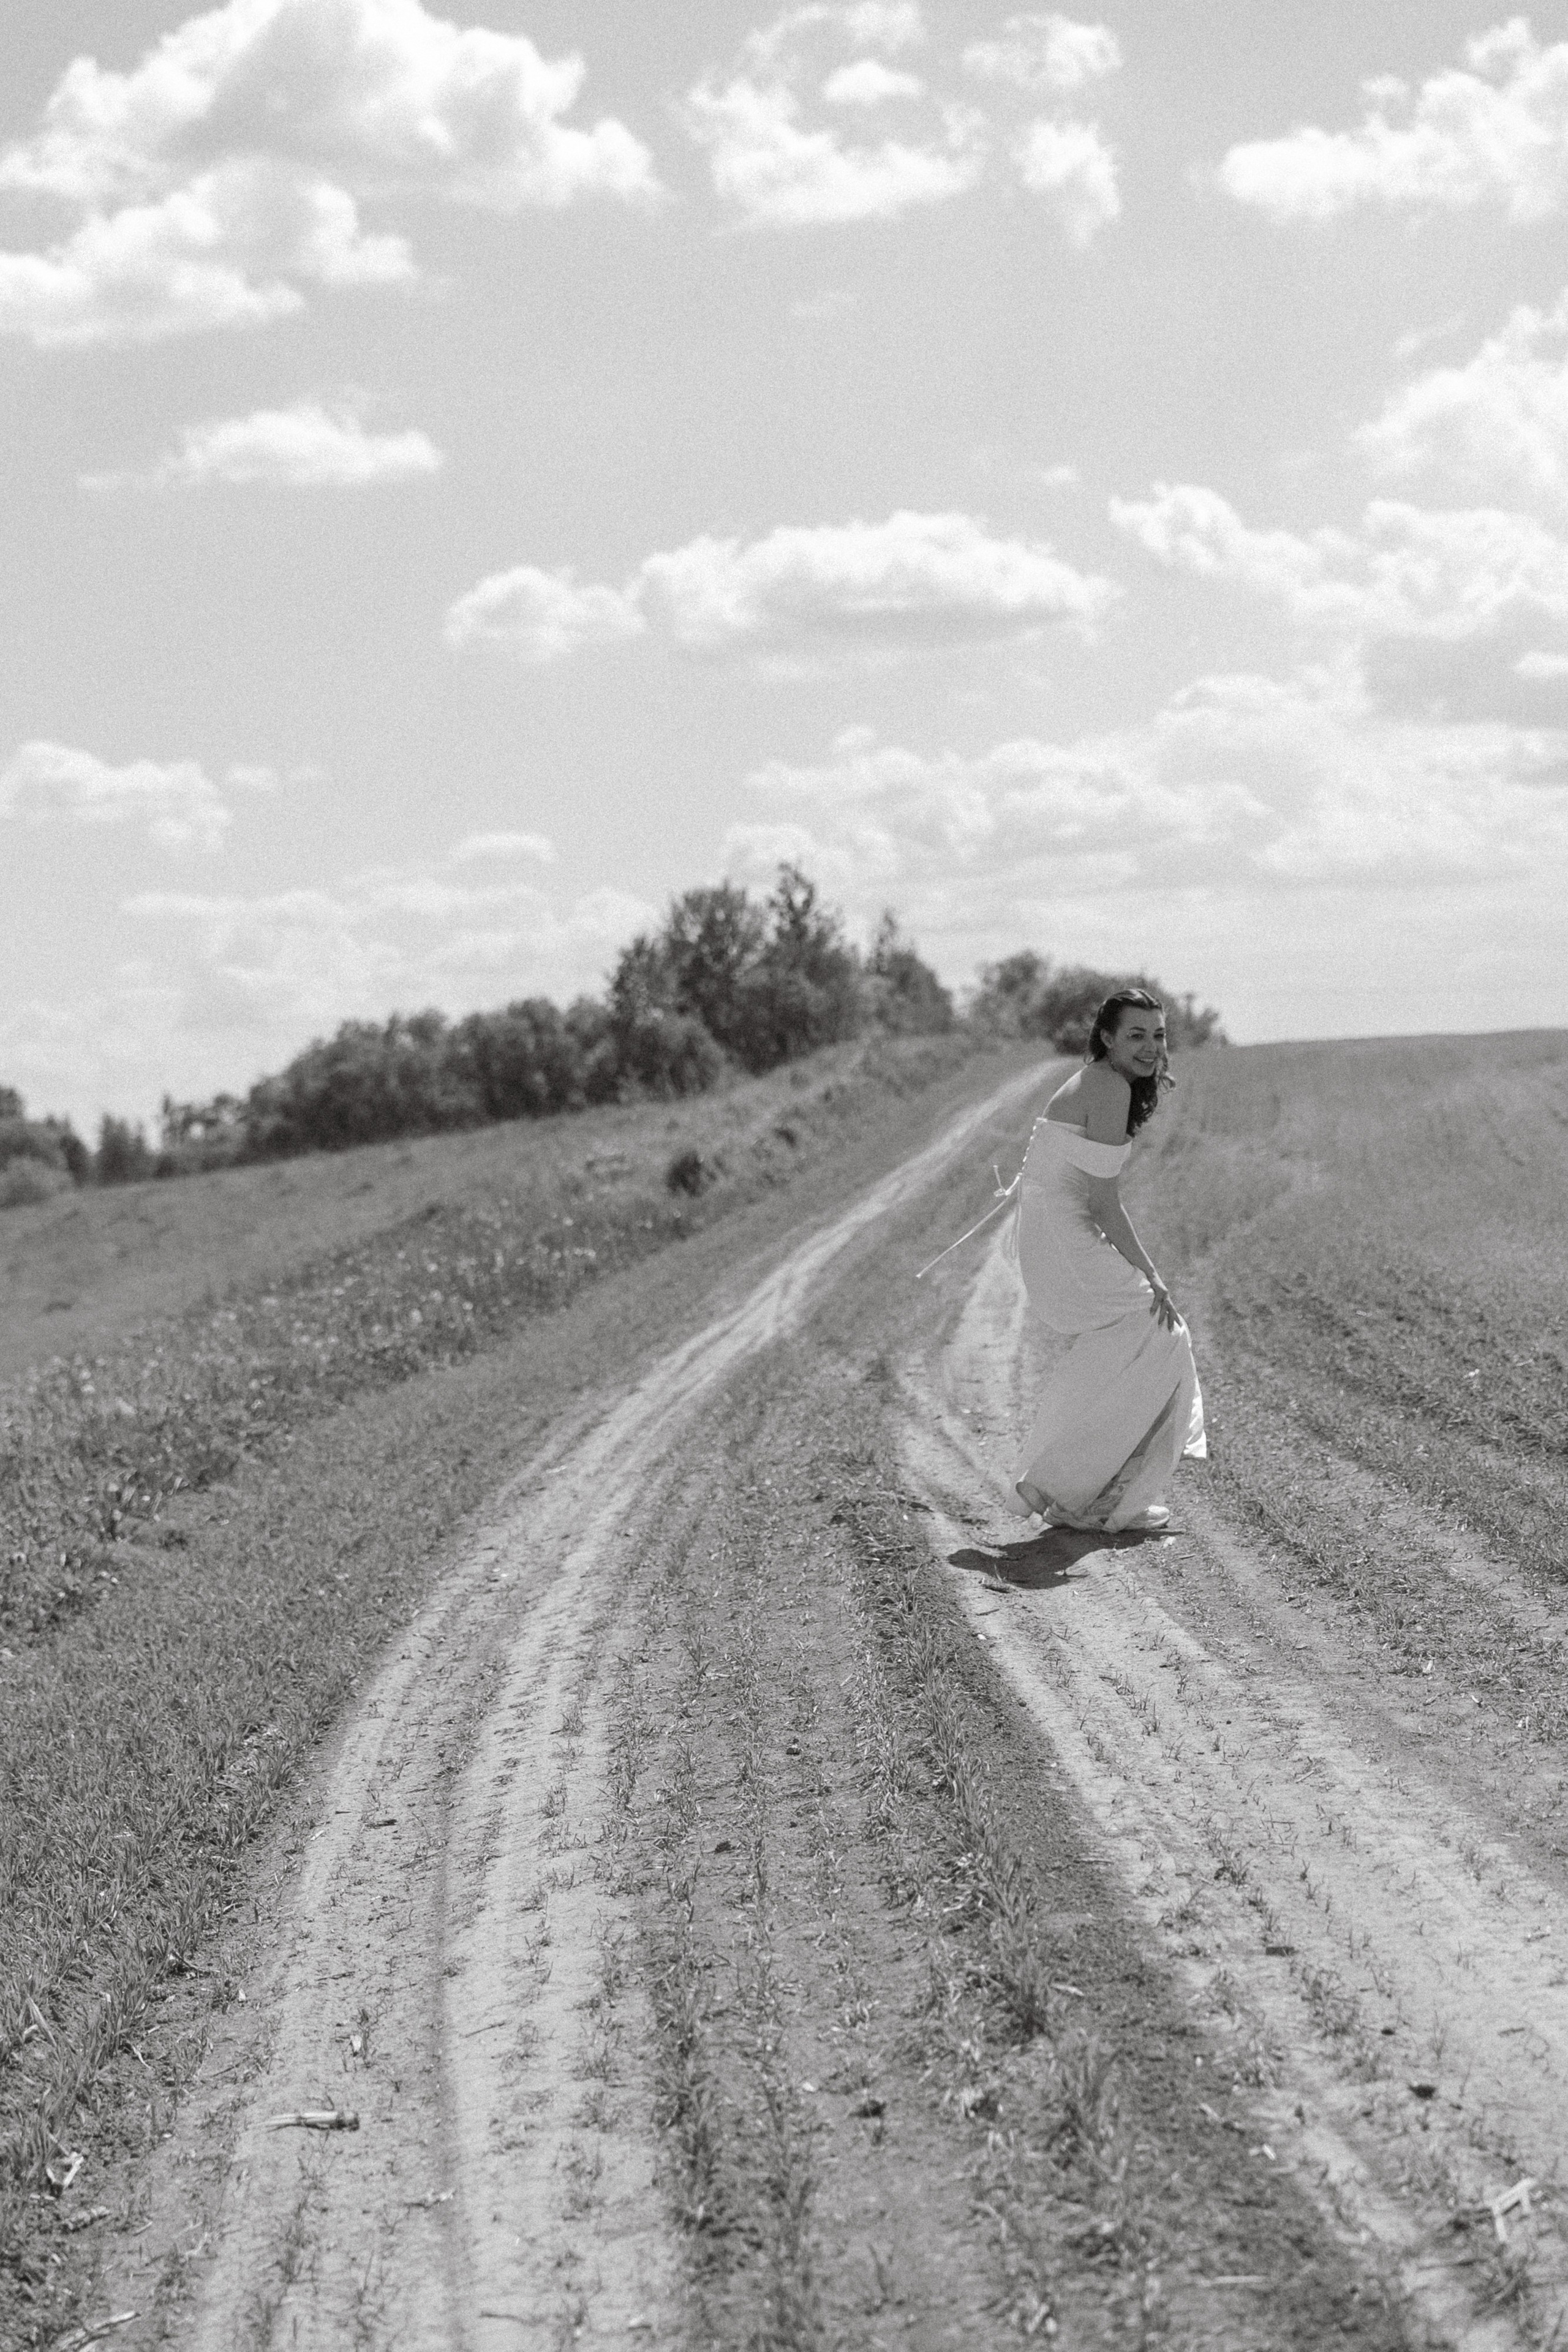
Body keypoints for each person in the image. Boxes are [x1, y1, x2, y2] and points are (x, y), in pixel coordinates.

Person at [1005, 988, 1206, 1532]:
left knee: (1146, 1342)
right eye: (1136, 1035)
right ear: (1108, 1037)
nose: (1150, 1047)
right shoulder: (1109, 1086)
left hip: (1055, 1235)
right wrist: (1153, 1276)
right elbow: (1103, 1204)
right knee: (1164, 1332)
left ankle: (1073, 1489)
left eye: (1158, 1035)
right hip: (1062, 1241)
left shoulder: (1103, 1081)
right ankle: (1080, 1493)